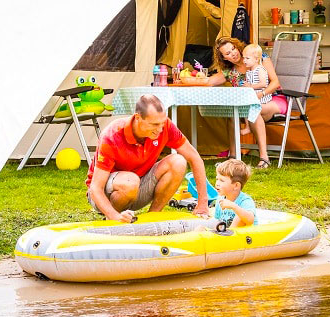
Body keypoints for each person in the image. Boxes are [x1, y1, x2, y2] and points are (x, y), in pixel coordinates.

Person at [86, 94, 209, 223]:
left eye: (162, 123)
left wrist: (202, 203)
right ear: (138, 118)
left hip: (137, 188)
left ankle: (152, 217)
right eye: (154, 124)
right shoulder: (112, 135)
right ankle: (113, 219)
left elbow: (195, 158)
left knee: (178, 162)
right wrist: (114, 216)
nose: (160, 129)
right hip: (104, 196)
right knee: (130, 181)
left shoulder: (164, 125)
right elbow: (95, 188)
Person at [208, 37, 286, 169]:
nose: (233, 53)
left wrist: (260, 94)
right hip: (251, 106)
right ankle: (233, 157)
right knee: (232, 113)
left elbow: (275, 83)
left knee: (254, 110)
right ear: (224, 58)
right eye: (227, 53)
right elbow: (208, 82)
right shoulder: (230, 72)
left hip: (273, 99)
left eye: (233, 49)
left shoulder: (258, 57)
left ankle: (264, 157)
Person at [210, 158, 256, 228]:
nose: (217, 183)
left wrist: (233, 206)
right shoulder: (220, 199)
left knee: (239, 218)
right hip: (228, 233)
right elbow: (217, 221)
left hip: (247, 235)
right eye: (217, 179)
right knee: (201, 228)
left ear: (236, 185)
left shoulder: (245, 201)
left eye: (222, 180)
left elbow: (250, 220)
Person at [240, 43, 272, 135]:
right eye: (244, 58)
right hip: (253, 95)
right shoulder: (250, 71)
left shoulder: (260, 69)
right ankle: (247, 126)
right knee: (242, 104)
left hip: (261, 96)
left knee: (247, 106)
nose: (244, 60)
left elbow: (263, 84)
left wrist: (250, 86)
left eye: (247, 58)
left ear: (256, 59)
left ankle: (248, 127)